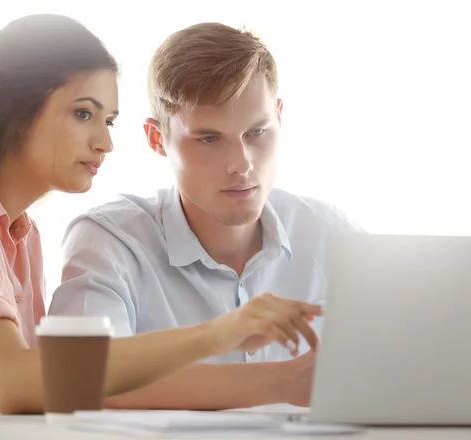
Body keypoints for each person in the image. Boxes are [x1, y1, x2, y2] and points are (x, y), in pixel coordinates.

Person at [0, 15, 323, 415]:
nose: (105, 143)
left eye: (107, 121)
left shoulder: (21, 237)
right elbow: (16, 382)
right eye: (83, 113)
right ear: (15, 114)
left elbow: (70, 382)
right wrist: (226, 339)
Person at [49, 22, 361, 410]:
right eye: (209, 138)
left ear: (279, 117)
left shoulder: (334, 236)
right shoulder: (112, 242)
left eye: (257, 132)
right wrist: (280, 382)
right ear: (156, 138)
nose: (241, 164)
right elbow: (76, 383)